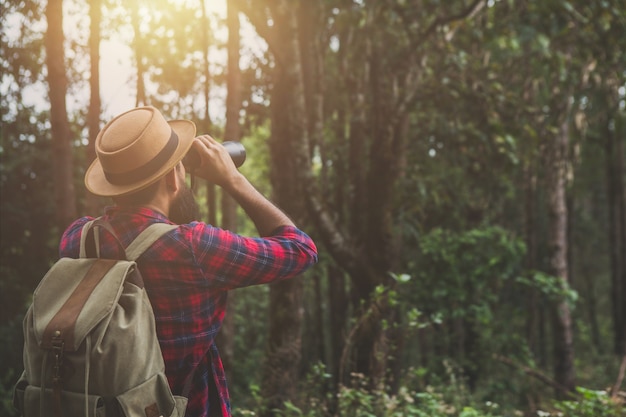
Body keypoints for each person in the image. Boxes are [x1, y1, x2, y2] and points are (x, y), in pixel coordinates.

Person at [58, 106, 318, 417]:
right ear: (172, 178)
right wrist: (233, 180)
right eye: (180, 167)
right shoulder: (193, 246)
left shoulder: (78, 238)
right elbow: (301, 249)